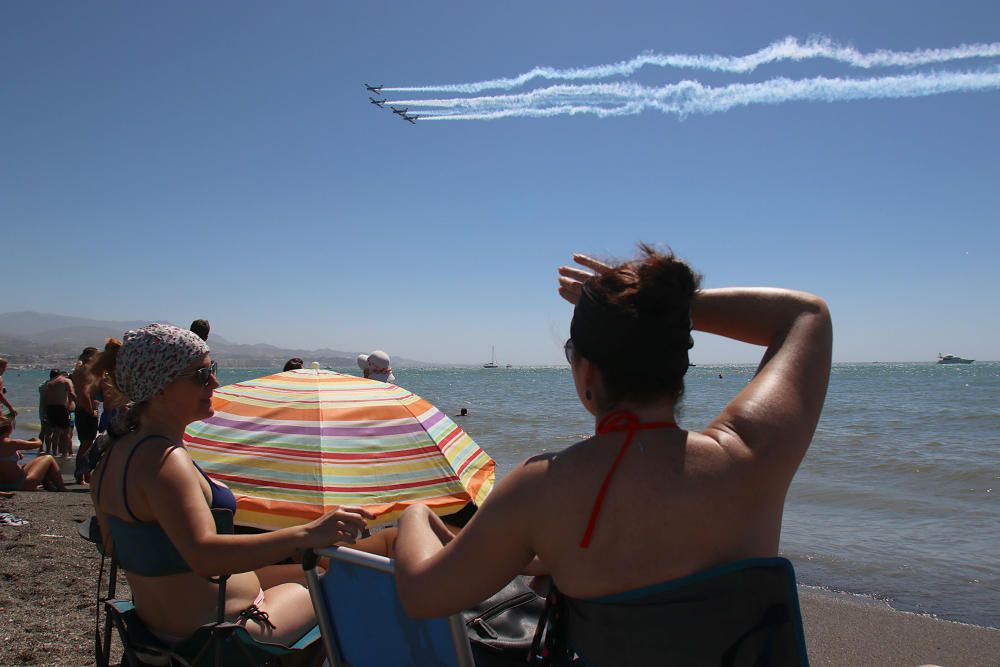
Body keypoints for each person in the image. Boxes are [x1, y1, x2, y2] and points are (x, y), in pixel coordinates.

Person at [393, 246, 831, 661]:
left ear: (585, 370)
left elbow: (421, 595)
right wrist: (661, 309)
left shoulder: (542, 489)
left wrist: (413, 515)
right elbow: (805, 314)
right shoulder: (750, 458)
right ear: (678, 364)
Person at [89, 324, 389, 647]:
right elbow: (205, 557)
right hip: (219, 630)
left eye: (212, 371)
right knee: (335, 583)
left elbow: (112, 542)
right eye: (202, 376)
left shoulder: (112, 454)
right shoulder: (164, 461)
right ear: (161, 388)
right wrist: (308, 533)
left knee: (321, 568)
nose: (215, 383)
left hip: (160, 625)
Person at [0, 414, 67, 491]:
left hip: (2, 485)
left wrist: (16, 451)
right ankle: (61, 487)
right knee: (48, 458)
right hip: (21, 484)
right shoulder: (12, 443)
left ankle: (48, 485)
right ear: (10, 429)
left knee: (29, 465)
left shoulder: (12, 444)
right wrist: (35, 438)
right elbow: (38, 444)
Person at [73, 347, 100, 483]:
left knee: (85, 443)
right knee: (87, 445)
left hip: (79, 409)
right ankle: (81, 474)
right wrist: (91, 410)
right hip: (86, 411)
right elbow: (84, 393)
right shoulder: (88, 371)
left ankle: (84, 474)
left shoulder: (78, 370)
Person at [43, 370, 76, 457]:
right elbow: (72, 393)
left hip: (50, 408)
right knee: (66, 432)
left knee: (56, 431)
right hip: (61, 408)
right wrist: (72, 403)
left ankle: (54, 453)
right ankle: (65, 454)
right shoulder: (66, 381)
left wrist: (46, 411)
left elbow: (45, 398)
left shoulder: (50, 383)